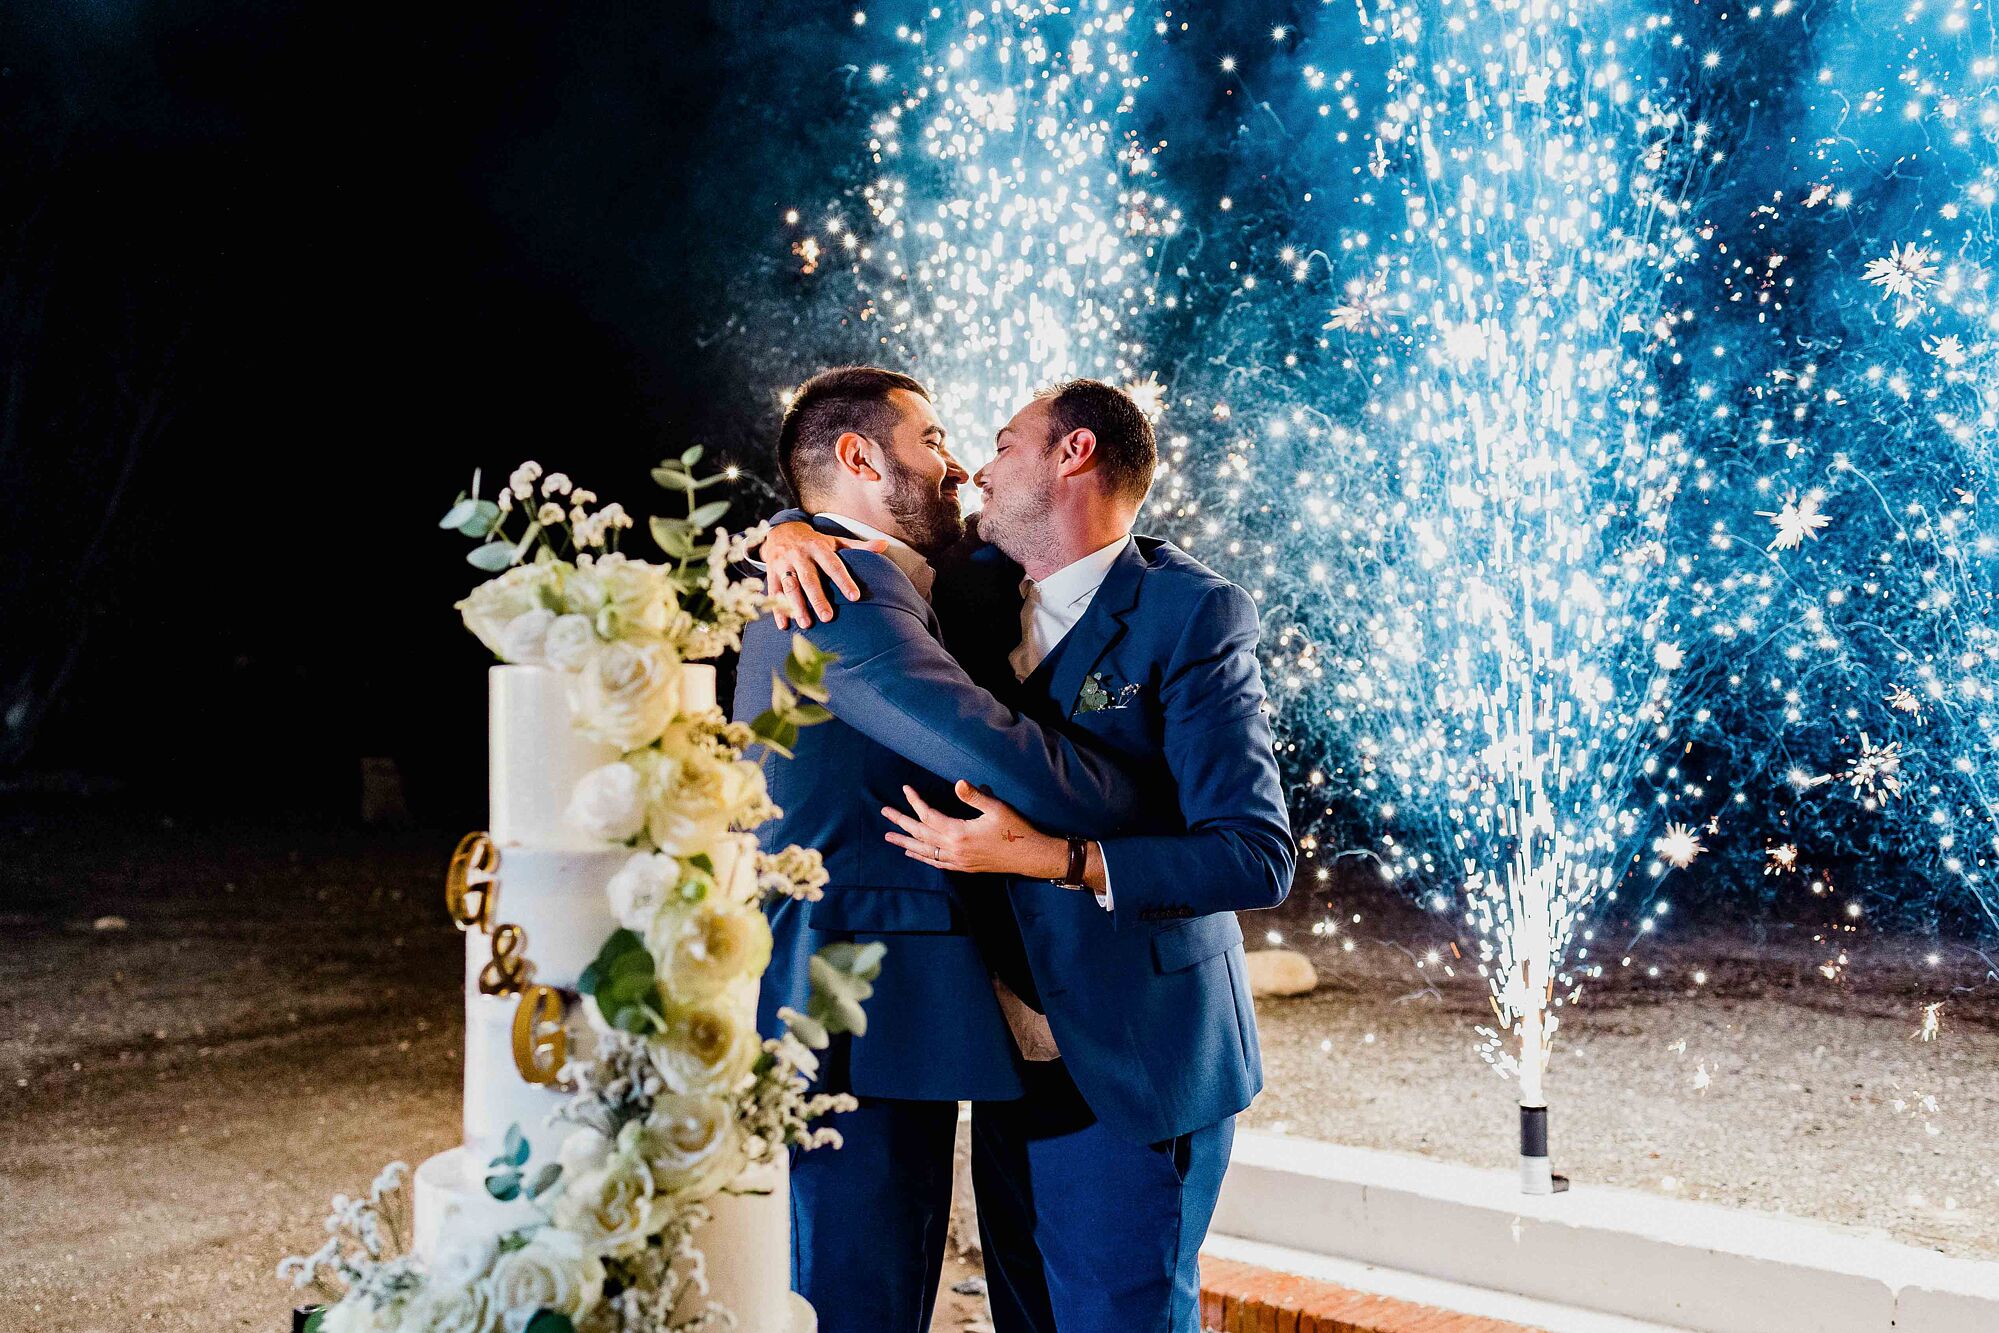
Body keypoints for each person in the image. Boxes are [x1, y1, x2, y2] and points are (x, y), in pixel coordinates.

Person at [760, 377, 1295, 1333]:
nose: (970, 464)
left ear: (1072, 455)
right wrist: (784, 528)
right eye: (947, 440)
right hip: (1011, 1067)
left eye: (1000, 443)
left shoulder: (1192, 614)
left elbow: (1255, 857)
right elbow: (855, 534)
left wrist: (1065, 857)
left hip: (1133, 1053)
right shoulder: (967, 586)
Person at [735, 366, 1143, 1333]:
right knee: (852, 1292)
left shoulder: (884, 572)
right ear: (859, 458)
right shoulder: (835, 592)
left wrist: (778, 527)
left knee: (885, 1273)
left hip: (889, 994)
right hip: (849, 997)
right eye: (933, 440)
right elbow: (991, 749)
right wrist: (1147, 803)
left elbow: (1054, 554)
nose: (957, 464)